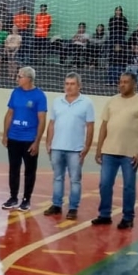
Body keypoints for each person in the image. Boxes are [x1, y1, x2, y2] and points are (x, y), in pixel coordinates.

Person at [94, 73, 138, 228]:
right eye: (120, 81)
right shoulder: (112, 101)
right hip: (109, 151)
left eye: (126, 82)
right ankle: (104, 214)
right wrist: (99, 149)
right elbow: (104, 126)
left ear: (134, 84)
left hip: (130, 153)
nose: (122, 84)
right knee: (105, 184)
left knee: (129, 187)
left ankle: (128, 217)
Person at [44, 73, 95, 219]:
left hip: (76, 149)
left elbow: (90, 126)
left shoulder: (87, 103)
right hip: (57, 147)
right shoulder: (57, 101)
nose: (69, 87)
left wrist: (87, 146)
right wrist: (48, 142)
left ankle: (73, 208)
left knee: (75, 180)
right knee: (57, 177)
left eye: (72, 84)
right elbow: (52, 123)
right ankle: (56, 205)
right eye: (67, 83)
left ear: (79, 86)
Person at [1, 66, 47, 212]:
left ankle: (26, 199)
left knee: (29, 171)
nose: (17, 78)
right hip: (14, 137)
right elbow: (9, 114)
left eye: (19, 76)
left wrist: (37, 142)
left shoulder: (39, 96)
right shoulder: (15, 92)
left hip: (29, 139)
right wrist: (5, 134)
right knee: (13, 169)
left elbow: (42, 120)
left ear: (28, 78)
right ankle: (13, 197)